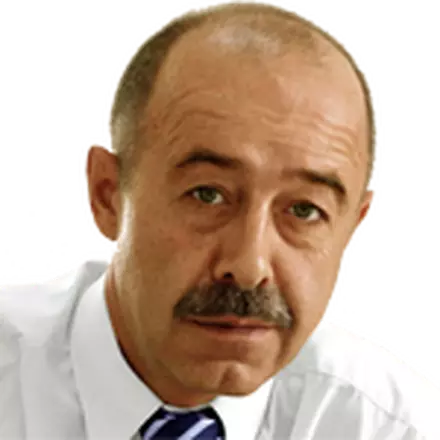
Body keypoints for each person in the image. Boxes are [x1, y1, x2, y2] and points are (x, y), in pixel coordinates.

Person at [1, 1, 438, 439]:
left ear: (354, 226)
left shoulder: (394, 427)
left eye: (304, 210)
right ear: (107, 195)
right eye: (207, 195)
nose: (249, 268)